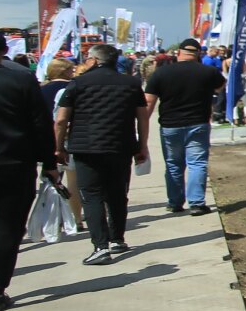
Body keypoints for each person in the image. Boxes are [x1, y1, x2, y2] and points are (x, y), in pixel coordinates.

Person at [0, 29, 57, 311]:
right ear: (4, 52)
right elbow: (40, 124)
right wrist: (49, 163)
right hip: (14, 163)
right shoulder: (22, 80)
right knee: (6, 227)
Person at [56, 42, 150, 266]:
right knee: (118, 194)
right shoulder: (131, 84)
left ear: (95, 60)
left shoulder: (78, 83)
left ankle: (100, 247)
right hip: (121, 146)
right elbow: (142, 117)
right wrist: (142, 146)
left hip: (86, 147)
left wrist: (58, 148)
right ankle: (117, 239)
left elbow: (61, 119)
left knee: (92, 195)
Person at [145, 38, 226, 216]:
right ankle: (196, 203)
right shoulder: (208, 71)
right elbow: (220, 87)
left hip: (170, 125)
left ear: (179, 53)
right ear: (198, 54)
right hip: (198, 122)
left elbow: (149, 101)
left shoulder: (161, 73)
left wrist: (142, 125)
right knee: (197, 163)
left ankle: (175, 202)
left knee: (173, 164)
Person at [37, 58, 86, 233]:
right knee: (74, 180)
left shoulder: (40, 90)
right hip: (69, 137)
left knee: (50, 179)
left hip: (45, 138)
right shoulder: (73, 88)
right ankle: (76, 218)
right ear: (64, 71)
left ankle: (51, 219)